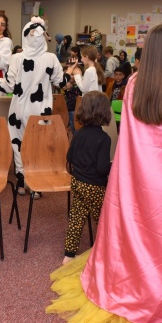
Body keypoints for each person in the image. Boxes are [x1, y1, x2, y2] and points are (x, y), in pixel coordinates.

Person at [46, 24, 162, 323]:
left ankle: (127, 285)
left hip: (136, 182)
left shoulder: (135, 85)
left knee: (135, 236)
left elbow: (137, 132)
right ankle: (158, 294)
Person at [0, 16, 67, 196]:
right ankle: (36, 185)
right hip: (41, 113)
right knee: (38, 146)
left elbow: (8, 86)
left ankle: (21, 182)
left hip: (18, 110)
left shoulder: (16, 58)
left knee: (18, 145)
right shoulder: (51, 58)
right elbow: (61, 82)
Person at [63, 91, 112, 265]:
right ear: (105, 112)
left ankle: (68, 256)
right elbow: (101, 168)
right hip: (95, 187)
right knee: (104, 219)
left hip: (77, 182)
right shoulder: (104, 139)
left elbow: (69, 157)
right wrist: (113, 165)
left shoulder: (78, 134)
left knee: (76, 218)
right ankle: (108, 251)